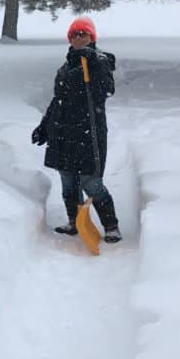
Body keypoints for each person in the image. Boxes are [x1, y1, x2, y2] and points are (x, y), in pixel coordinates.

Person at [31, 16, 122, 243]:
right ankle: (75, 221)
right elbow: (58, 100)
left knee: (90, 182)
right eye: (74, 34)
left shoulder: (99, 61)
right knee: (68, 181)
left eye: (83, 34)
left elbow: (105, 91)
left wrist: (92, 63)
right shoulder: (66, 66)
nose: (79, 38)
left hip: (88, 132)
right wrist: (44, 126)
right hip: (63, 133)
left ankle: (111, 225)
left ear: (92, 37)